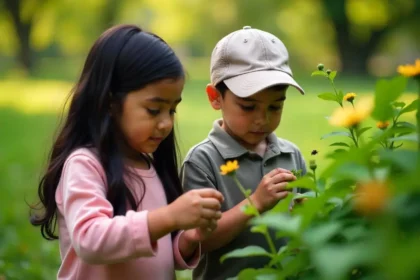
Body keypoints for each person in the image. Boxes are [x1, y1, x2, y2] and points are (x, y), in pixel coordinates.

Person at [30, 24, 224, 280]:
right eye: (154, 110)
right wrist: (169, 216)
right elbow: (90, 239)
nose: (166, 122)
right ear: (110, 102)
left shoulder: (149, 166)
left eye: (172, 110)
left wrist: (189, 237)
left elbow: (157, 253)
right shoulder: (84, 165)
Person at [181, 26, 307, 280]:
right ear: (215, 97)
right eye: (248, 107)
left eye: (276, 106)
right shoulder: (202, 161)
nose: (262, 119)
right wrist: (255, 204)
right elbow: (196, 244)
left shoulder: (291, 155)